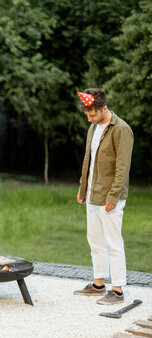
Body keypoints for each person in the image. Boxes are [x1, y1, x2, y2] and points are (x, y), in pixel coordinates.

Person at [74, 89, 134, 305]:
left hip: (110, 197)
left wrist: (114, 196)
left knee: (114, 242)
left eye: (92, 115)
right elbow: (87, 160)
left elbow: (122, 167)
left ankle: (117, 291)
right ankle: (99, 284)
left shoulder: (121, 129)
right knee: (95, 241)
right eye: (87, 115)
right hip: (92, 194)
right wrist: (83, 189)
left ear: (104, 108)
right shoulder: (93, 128)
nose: (89, 119)